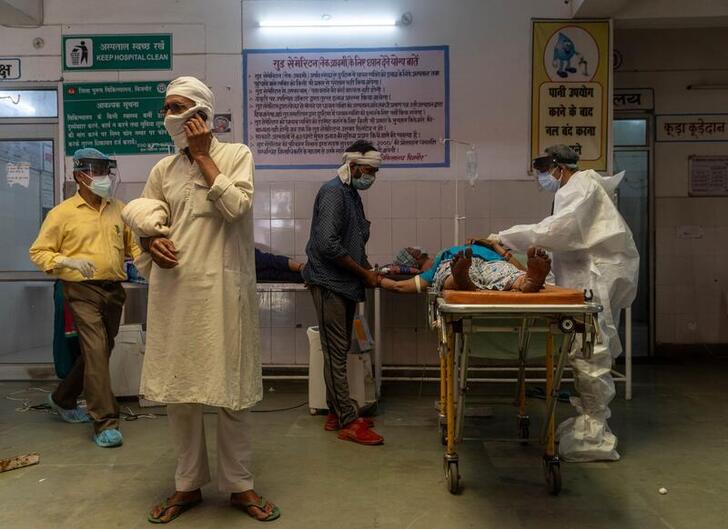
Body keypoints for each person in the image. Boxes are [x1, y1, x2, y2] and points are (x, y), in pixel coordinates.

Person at [137, 76, 279, 523]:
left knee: (231, 394)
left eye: (177, 107)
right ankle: (188, 485)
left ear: (201, 114)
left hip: (222, 293)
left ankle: (240, 486)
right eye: (165, 108)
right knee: (180, 395)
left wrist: (201, 157)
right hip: (174, 293)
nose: (168, 116)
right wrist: (147, 244)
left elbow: (236, 207)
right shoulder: (162, 170)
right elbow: (147, 219)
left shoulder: (236, 155)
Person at [489, 144, 639, 462]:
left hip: (595, 279)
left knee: (591, 353)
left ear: (558, 167)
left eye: (543, 170)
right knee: (583, 352)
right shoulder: (578, 187)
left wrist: (506, 237)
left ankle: (596, 435)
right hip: (587, 277)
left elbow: (559, 231)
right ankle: (588, 421)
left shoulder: (581, 186)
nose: (543, 176)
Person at [29, 147, 140, 448]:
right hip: (80, 290)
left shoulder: (119, 208)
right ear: (80, 175)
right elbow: (39, 252)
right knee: (95, 348)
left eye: (106, 171)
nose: (104, 177)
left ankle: (62, 397)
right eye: (98, 171)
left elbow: (134, 247)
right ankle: (104, 421)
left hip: (113, 291)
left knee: (102, 350)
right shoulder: (62, 214)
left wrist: (147, 266)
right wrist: (67, 262)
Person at [303, 140, 384, 445]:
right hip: (329, 283)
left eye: (375, 171)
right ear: (352, 165)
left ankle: (336, 412)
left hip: (344, 284)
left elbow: (353, 240)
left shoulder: (350, 194)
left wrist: (367, 269)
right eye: (369, 170)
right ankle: (348, 421)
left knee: (338, 350)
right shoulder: (334, 192)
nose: (372, 176)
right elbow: (327, 244)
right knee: (337, 353)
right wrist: (364, 274)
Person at [380, 243, 551, 294]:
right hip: (486, 262)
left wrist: (494, 245)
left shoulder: (446, 258)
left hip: (483, 262)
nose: (414, 248)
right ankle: (524, 281)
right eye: (411, 252)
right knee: (510, 274)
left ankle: (528, 281)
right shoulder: (436, 265)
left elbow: (398, 287)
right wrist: (376, 278)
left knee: (450, 276)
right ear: (413, 263)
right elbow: (399, 286)